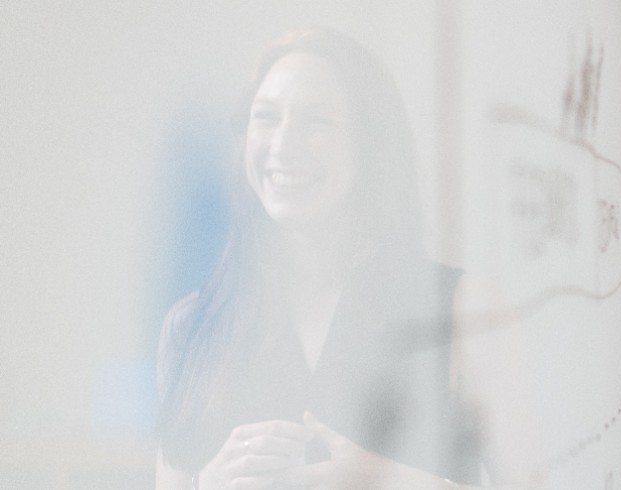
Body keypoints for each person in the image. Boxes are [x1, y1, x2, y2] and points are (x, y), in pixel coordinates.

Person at [155, 27, 478, 489]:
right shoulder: (188, 328)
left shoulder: (463, 311)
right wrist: (204, 485)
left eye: (317, 122)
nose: (284, 144)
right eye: (265, 118)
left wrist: (391, 481)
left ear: (372, 145)